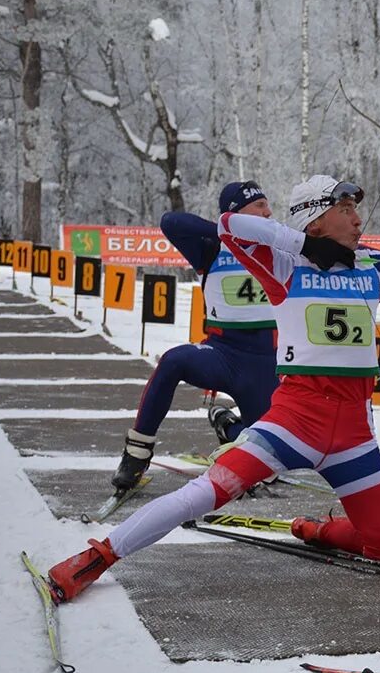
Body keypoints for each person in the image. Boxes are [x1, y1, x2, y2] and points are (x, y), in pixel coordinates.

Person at [47, 174, 380, 603]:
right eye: (345, 208)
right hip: (292, 421)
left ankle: (316, 528)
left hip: (354, 436)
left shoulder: (372, 269)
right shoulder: (282, 264)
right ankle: (97, 555)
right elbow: (229, 225)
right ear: (315, 218)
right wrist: (302, 244)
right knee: (204, 494)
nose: (359, 218)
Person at [109, 181, 279, 495]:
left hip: (266, 366)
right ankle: (136, 455)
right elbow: (170, 222)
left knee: (268, 466)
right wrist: (227, 231)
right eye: (260, 206)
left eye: (268, 206)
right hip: (223, 356)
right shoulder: (212, 248)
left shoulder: (278, 246)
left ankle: (227, 424)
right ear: (236, 214)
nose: (268, 212)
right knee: (173, 360)